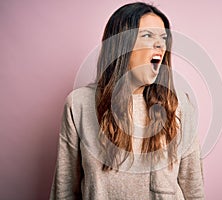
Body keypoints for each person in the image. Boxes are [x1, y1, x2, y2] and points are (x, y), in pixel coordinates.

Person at [50, 2, 205, 199]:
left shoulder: (180, 105)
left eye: (163, 38)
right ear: (121, 45)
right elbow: (63, 189)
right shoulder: (79, 104)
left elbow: (193, 189)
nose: (160, 44)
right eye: (147, 35)